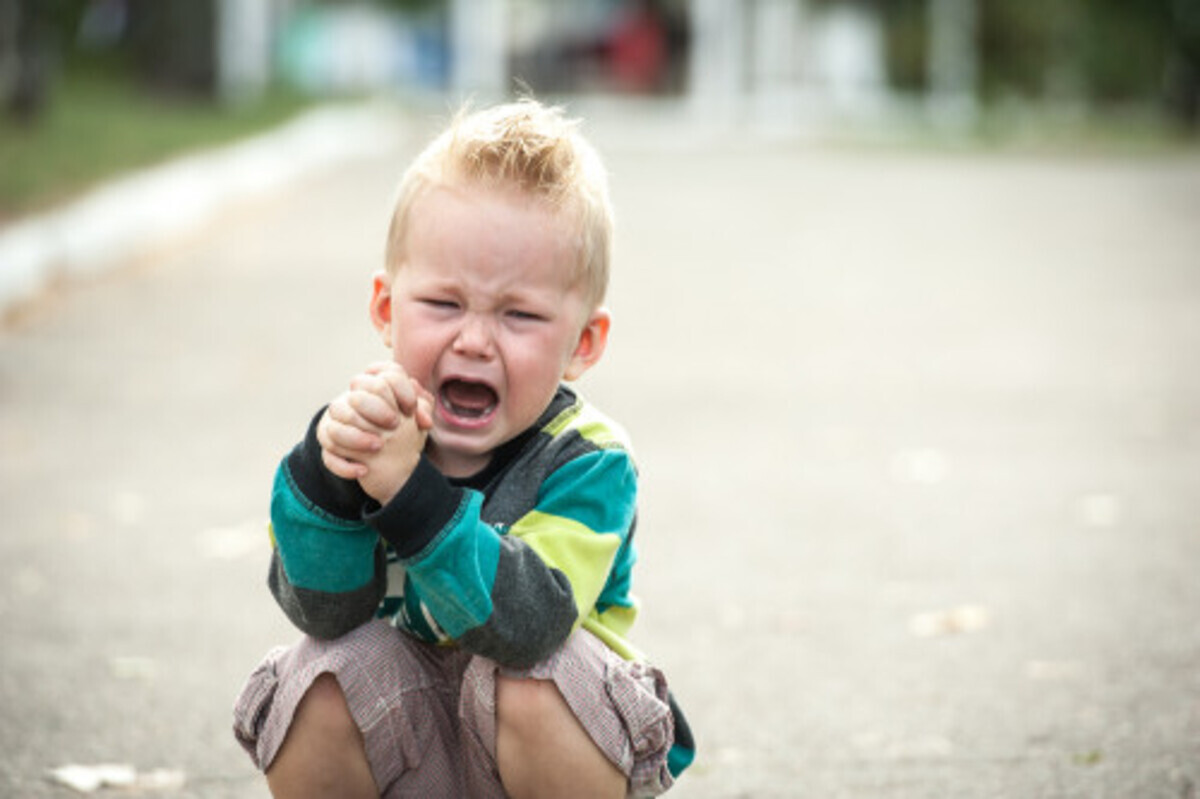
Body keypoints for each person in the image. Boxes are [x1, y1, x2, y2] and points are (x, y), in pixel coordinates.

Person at [232, 99, 694, 798]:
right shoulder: (370, 433)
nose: (475, 339)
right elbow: (321, 610)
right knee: (320, 676)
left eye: (520, 314)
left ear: (584, 343)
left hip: (544, 750)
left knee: (532, 683)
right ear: (387, 310)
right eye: (444, 304)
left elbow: (529, 623)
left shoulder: (589, 461)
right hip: (411, 745)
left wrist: (409, 496)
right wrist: (328, 475)